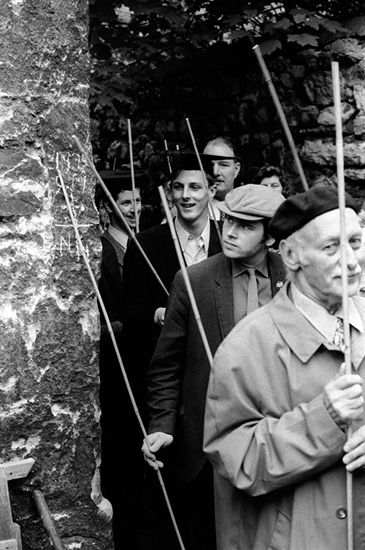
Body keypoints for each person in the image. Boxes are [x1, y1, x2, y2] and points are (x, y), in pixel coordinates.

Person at [204, 185, 365, 550]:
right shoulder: (246, 346)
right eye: (330, 247)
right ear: (291, 255)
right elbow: (239, 463)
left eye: (355, 241)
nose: (352, 260)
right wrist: (326, 418)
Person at [142, 184, 286, 549]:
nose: (230, 232)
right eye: (228, 222)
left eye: (246, 226)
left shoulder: (294, 279)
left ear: (271, 237)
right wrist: (162, 425)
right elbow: (165, 366)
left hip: (280, 442)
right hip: (208, 448)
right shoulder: (194, 281)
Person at [97, 170, 144, 550]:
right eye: (125, 202)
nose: (133, 209)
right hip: (117, 358)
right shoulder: (103, 249)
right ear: (106, 207)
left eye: (138, 201)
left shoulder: (147, 244)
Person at [203, 137, 241, 218]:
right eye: (210, 165)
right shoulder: (187, 212)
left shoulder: (247, 209)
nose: (215, 172)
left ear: (236, 169)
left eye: (223, 165)